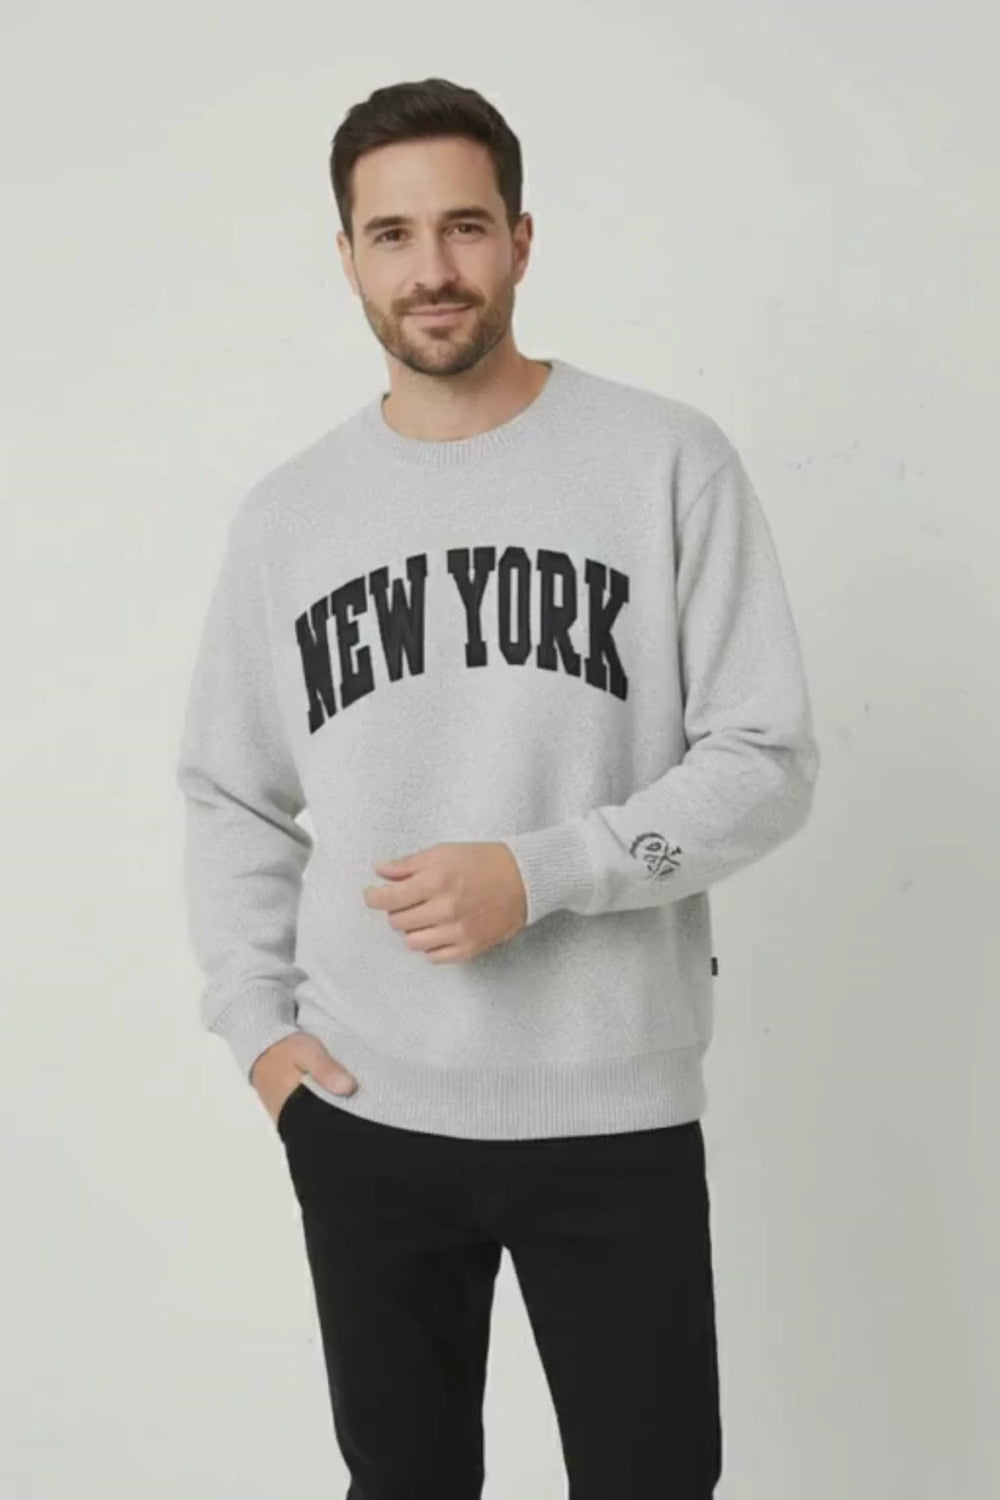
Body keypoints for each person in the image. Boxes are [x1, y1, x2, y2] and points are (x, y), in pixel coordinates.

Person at [175, 75, 820, 1500]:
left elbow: (767, 760)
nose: (433, 269)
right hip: (363, 1109)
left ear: (521, 239)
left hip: (612, 1109)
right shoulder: (291, 515)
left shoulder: (664, 461)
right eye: (392, 235)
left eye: (464, 226)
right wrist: (261, 1036)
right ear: (347, 257)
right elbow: (231, 791)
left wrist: (545, 870)